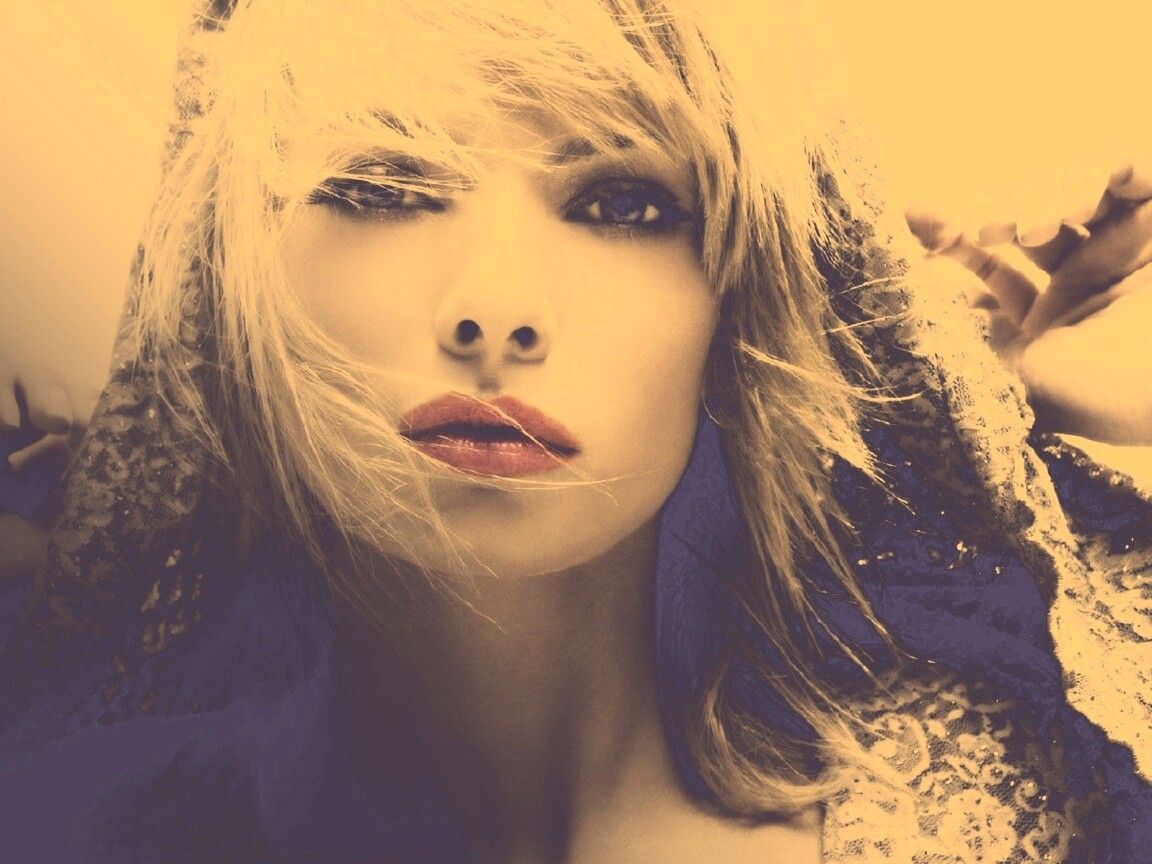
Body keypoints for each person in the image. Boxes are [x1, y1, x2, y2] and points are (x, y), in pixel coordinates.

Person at [1, 0, 1151, 861]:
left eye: (622, 204)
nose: (496, 306)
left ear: (739, 305)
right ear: (223, 285)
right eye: (385, 185)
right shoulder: (63, 817)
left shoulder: (1026, 805)